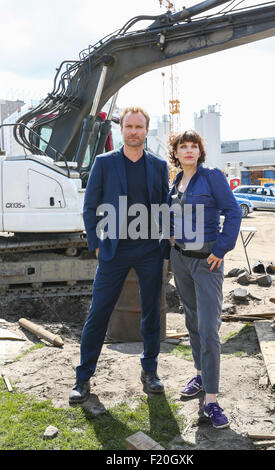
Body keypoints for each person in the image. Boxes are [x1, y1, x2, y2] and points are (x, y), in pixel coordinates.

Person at [69, 106, 169, 404]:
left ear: (146, 130)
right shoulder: (104, 163)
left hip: (149, 250)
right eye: (129, 126)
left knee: (151, 313)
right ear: (121, 129)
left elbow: (163, 206)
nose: (134, 131)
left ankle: (149, 372)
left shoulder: (158, 165)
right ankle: (83, 378)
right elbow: (90, 206)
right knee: (99, 312)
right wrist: (96, 244)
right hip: (113, 250)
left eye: (139, 127)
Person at [167, 129, 242, 429]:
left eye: (193, 146)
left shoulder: (212, 177)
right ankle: (200, 375)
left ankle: (211, 401)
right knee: (192, 322)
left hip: (207, 263)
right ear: (176, 153)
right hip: (181, 261)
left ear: (200, 151)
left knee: (209, 328)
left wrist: (222, 249)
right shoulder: (175, 183)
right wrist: (171, 235)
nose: (188, 151)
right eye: (182, 146)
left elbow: (233, 213)